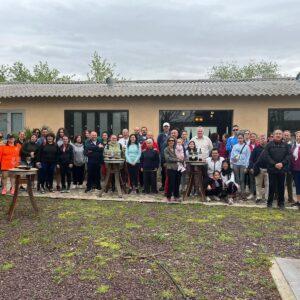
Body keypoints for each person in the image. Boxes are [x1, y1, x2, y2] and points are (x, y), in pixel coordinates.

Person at [264, 129, 290, 209]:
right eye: (276, 134)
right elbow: (267, 156)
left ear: (282, 135)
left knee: (281, 187)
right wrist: (274, 164)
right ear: (273, 135)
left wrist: (282, 163)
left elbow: (288, 156)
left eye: (279, 134)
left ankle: (281, 203)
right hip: (272, 169)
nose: (278, 135)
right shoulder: (269, 145)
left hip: (282, 169)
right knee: (271, 186)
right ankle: (269, 203)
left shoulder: (285, 145)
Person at [249, 134, 268, 203]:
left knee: (267, 184)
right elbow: (251, 159)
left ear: (266, 140)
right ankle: (258, 197)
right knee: (258, 184)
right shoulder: (256, 149)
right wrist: (251, 167)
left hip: (268, 169)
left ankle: (266, 198)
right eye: (261, 139)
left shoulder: (269, 148)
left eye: (264, 138)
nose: (263, 140)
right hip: (258, 169)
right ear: (259, 140)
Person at [164, 137, 181, 201]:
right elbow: (168, 159)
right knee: (171, 183)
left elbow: (181, 155)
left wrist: (180, 159)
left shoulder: (176, 149)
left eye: (173, 141)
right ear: (168, 142)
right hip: (170, 168)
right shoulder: (166, 149)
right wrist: (177, 159)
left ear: (174, 142)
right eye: (170, 141)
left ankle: (176, 196)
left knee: (177, 183)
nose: (171, 142)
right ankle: (169, 196)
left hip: (178, 168)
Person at [157, 122, 170, 191]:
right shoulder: (160, 135)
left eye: (167, 126)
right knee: (163, 172)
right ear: (163, 127)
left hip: (171, 156)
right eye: (165, 126)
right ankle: (163, 185)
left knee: (170, 171)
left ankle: (169, 185)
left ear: (169, 127)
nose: (166, 128)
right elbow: (158, 145)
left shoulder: (171, 135)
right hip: (163, 156)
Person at [283, 130, 295, 203]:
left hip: (290, 167)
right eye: (285, 135)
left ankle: (290, 198)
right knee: (281, 183)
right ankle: (279, 197)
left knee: (289, 184)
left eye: (287, 135)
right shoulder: (280, 144)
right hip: (281, 167)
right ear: (283, 136)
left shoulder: (293, 145)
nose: (286, 136)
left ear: (290, 136)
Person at [291, 131, 300, 207]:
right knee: (297, 185)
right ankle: (298, 201)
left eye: (299, 136)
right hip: (295, 169)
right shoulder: (293, 146)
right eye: (297, 136)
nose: (298, 137)